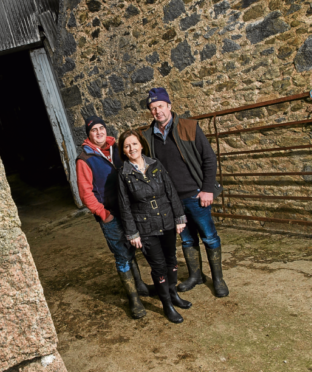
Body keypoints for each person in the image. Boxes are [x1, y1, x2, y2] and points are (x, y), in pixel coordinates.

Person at [140, 87, 229, 298]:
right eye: (153, 108)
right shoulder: (148, 137)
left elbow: (209, 158)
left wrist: (207, 189)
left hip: (196, 195)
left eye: (160, 106)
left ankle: (217, 279)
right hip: (172, 200)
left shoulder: (189, 127)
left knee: (209, 237)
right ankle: (195, 276)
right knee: (187, 240)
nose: (157, 111)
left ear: (169, 106)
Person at [76, 116, 152, 319]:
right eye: (94, 130)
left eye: (102, 128)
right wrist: (103, 214)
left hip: (130, 211)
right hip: (110, 215)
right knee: (122, 255)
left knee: (133, 249)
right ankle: (134, 299)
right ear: (89, 135)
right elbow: (85, 193)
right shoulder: (85, 159)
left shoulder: (118, 150)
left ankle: (141, 285)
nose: (99, 132)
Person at [117, 129, 191, 323]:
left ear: (142, 145)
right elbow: (124, 206)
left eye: (134, 144)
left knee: (171, 261)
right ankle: (167, 304)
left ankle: (174, 294)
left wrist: (179, 217)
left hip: (166, 221)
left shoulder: (156, 165)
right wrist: (132, 233)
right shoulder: (123, 174)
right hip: (145, 228)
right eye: (127, 146)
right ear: (123, 151)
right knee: (158, 267)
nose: (131, 148)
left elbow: (171, 191)